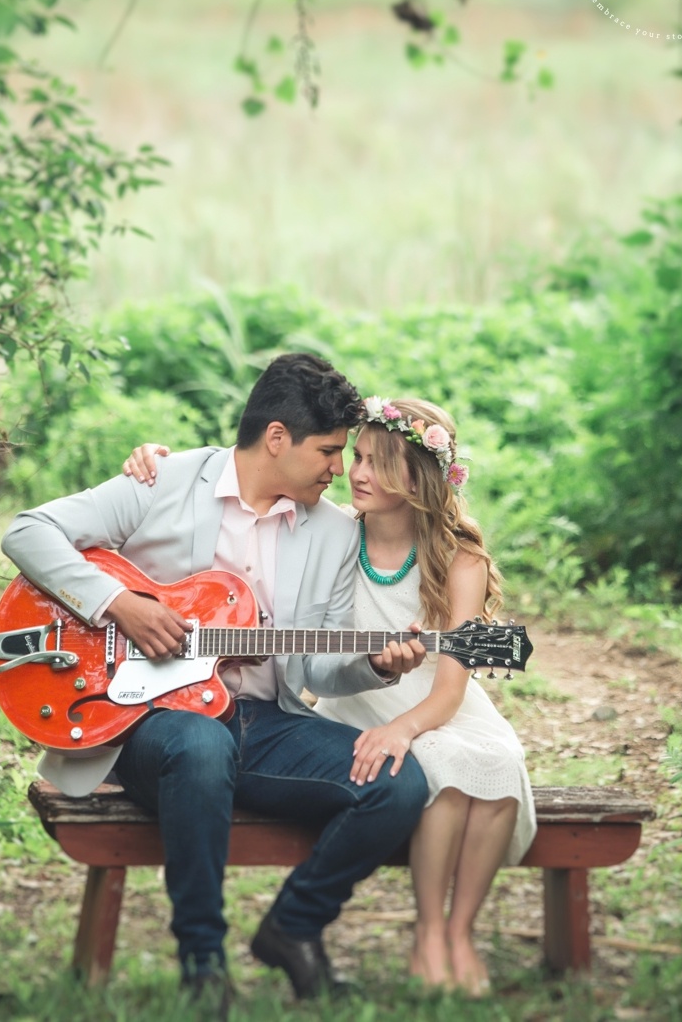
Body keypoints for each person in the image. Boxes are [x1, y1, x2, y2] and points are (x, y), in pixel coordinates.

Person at [2, 354, 429, 1014]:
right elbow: (29, 531)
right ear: (278, 438)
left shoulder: (334, 532)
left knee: (398, 785)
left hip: (261, 721)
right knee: (201, 745)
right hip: (148, 721)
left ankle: (293, 927)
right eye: (328, 450)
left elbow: (315, 668)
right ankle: (202, 961)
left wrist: (376, 665)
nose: (338, 468)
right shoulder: (164, 480)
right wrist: (119, 603)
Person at [126, 394, 536, 997]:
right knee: (434, 772)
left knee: (490, 765)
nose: (354, 472)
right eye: (355, 457)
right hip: (354, 699)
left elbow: (450, 685)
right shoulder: (336, 528)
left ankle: (456, 934)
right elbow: (243, 480)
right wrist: (158, 462)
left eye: (375, 463)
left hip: (428, 700)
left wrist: (397, 706)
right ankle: (423, 934)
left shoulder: (456, 557)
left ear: (418, 478)